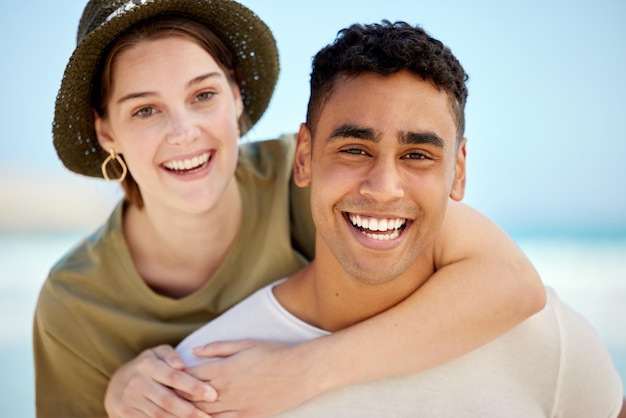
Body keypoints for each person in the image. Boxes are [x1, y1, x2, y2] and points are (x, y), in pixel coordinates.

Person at [33, 1, 545, 417]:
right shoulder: (74, 305)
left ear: (236, 97)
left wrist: (304, 371)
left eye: (204, 95)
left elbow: (511, 282)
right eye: (146, 109)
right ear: (107, 132)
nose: (183, 132)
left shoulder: (312, 174)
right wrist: (112, 394)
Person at [176, 20, 626, 417]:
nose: (384, 186)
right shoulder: (212, 377)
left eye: (417, 155)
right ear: (305, 157)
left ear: (459, 170)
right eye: (355, 149)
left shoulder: (552, 344)